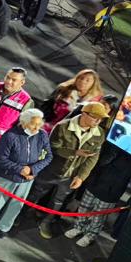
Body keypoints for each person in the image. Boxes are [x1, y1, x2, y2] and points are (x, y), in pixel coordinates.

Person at [34, 102, 107, 239]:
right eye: (95, 117)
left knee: (58, 202)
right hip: (51, 171)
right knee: (35, 193)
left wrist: (81, 177)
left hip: (70, 176)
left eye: (101, 118)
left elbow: (93, 158)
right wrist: (74, 152)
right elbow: (52, 147)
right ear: (84, 114)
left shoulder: (99, 134)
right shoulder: (63, 126)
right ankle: (20, 214)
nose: (98, 121)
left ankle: (46, 222)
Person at [0, 109, 52, 239]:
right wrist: (21, 169)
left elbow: (48, 156)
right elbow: (1, 159)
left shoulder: (42, 134)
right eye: (33, 124)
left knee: (16, 205)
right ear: (23, 123)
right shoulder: (10, 136)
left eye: (39, 124)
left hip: (27, 179)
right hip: (5, 177)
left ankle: (4, 227)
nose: (37, 128)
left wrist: (33, 170)